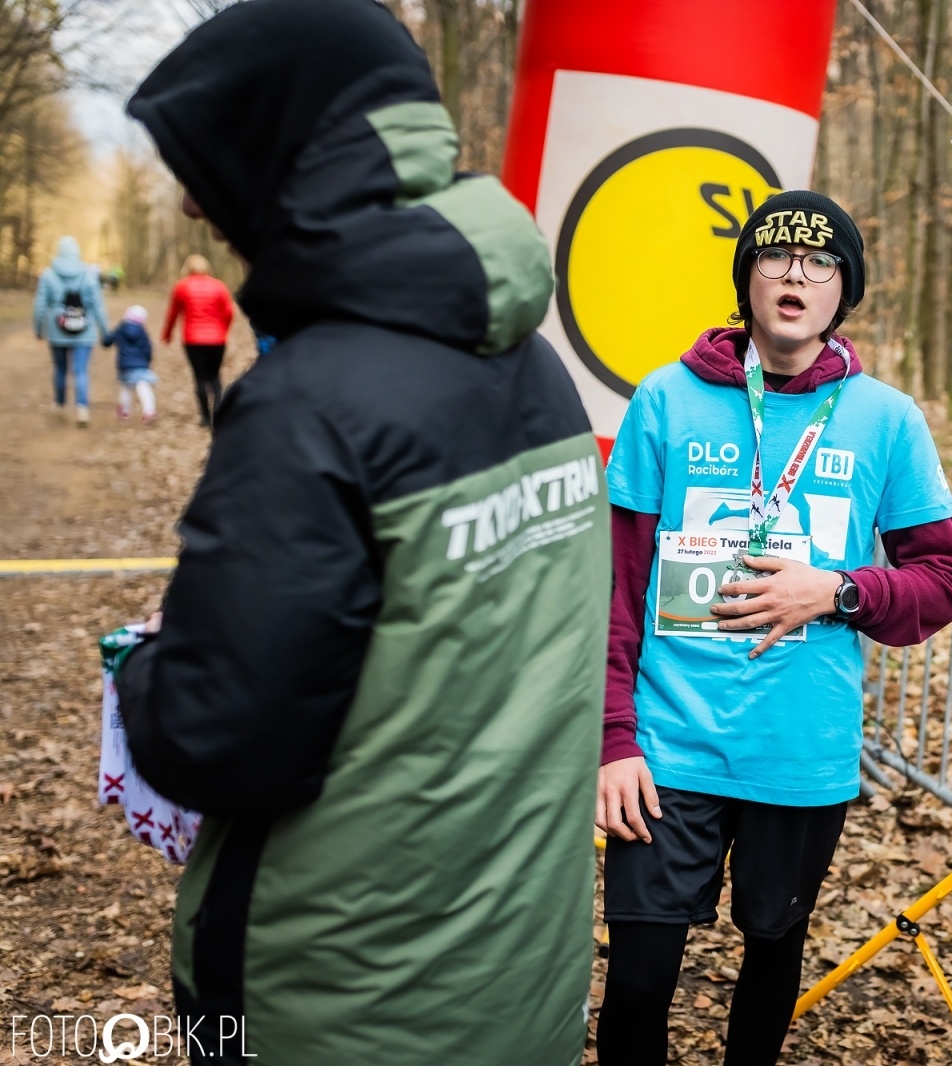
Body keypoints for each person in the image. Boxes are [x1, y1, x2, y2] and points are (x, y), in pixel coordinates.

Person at [115, 1, 607, 1063]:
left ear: (284, 153)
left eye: (211, 165)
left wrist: (149, 665)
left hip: (337, 1004)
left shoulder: (310, 404)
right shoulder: (533, 362)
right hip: (517, 980)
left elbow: (217, 741)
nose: (197, 208)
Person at [596, 189, 952, 1066]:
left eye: (820, 262)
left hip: (799, 751)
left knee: (771, 958)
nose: (795, 274)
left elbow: (942, 581)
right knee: (640, 981)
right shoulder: (666, 400)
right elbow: (617, 588)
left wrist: (835, 591)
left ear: (846, 290)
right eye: (775, 257)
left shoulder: (886, 419)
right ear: (747, 280)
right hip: (667, 744)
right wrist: (614, 739)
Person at [33, 235, 109, 426]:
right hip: (85, 330)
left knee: (60, 369)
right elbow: (98, 306)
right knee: (81, 371)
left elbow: (40, 305)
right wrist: (104, 330)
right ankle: (82, 409)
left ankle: (59, 405)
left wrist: (38, 329)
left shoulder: (48, 275)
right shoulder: (89, 274)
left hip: (57, 330)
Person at [161, 253, 235, 427]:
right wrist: (224, 330)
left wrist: (167, 334)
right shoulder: (219, 286)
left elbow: (173, 313)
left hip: (193, 340)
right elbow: (229, 312)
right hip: (217, 339)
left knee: (200, 377)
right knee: (215, 377)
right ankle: (218, 412)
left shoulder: (182, 286)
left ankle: (205, 417)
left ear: (188, 268)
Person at [104, 305, 158, 424]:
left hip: (125, 365)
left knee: (126, 388)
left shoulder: (121, 328)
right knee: (143, 387)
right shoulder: (142, 331)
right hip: (141, 365)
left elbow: (108, 340)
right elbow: (148, 348)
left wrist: (105, 340)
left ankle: (124, 412)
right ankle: (149, 410)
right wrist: (147, 361)